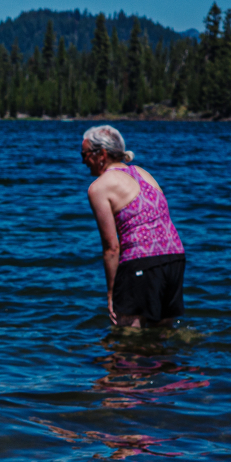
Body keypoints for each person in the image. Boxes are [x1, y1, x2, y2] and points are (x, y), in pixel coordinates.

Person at [81, 124, 185, 327]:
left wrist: (111, 294)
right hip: (175, 257)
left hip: (142, 260)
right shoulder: (143, 173)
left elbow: (111, 248)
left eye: (84, 154)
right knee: (163, 332)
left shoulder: (99, 187)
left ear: (101, 154)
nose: (83, 161)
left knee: (128, 333)